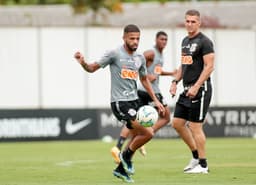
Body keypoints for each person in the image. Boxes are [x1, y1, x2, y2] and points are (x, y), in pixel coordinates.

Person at [74, 24, 165, 183]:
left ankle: (121, 170)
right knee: (148, 133)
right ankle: (125, 156)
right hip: (119, 103)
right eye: (132, 38)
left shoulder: (140, 58)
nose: (135, 41)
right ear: (124, 38)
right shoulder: (114, 54)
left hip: (134, 101)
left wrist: (156, 100)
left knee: (139, 135)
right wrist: (83, 62)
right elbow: (92, 68)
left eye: (138, 38)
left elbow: (144, 79)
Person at [111, 31, 177, 163]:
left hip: (143, 91)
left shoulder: (160, 55)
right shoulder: (151, 53)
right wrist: (144, 75)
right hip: (149, 90)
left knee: (134, 119)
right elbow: (138, 62)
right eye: (161, 39)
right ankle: (143, 136)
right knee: (166, 117)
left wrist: (170, 73)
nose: (164, 42)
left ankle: (119, 146)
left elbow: (156, 71)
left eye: (165, 40)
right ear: (156, 40)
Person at [169, 9, 214, 174]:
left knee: (195, 127)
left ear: (199, 23)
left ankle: (203, 166)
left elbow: (210, 67)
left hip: (200, 89)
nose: (190, 24)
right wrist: (174, 82)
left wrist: (196, 86)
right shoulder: (185, 41)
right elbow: (184, 65)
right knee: (177, 123)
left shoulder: (205, 42)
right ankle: (196, 157)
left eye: (193, 21)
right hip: (186, 90)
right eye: (187, 21)